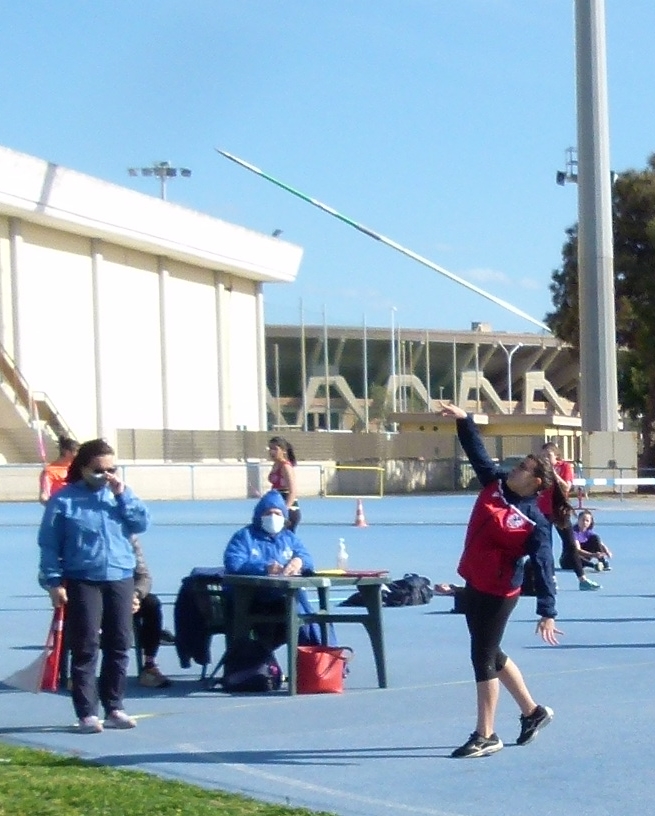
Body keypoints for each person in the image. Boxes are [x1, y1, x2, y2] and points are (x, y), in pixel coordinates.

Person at [440, 403, 563, 759]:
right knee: (491, 652)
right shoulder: (493, 483)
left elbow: (544, 565)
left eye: (523, 468)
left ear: (535, 483)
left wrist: (547, 611)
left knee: (482, 656)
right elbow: (476, 450)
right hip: (474, 581)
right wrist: (465, 420)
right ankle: (532, 712)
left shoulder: (535, 521)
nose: (515, 469)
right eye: (519, 463)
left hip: (499, 591)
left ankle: (486, 734)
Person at [38, 438, 150, 734]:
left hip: (119, 576)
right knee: (86, 646)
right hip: (83, 578)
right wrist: (52, 581)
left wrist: (124, 496)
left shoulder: (119, 495)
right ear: (84, 468)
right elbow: (49, 544)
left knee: (119, 644)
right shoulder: (64, 500)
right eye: (99, 470)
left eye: (112, 469)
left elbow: (141, 523)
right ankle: (87, 712)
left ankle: (114, 706)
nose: (106, 475)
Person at [223, 490, 313, 648]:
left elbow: (307, 559)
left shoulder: (289, 538)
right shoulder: (244, 536)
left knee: (304, 612)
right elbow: (234, 562)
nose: (273, 517)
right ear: (259, 515)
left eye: (277, 513)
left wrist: (300, 562)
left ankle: (316, 654)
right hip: (251, 599)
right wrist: (264, 568)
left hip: (282, 598)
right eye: (268, 513)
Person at [539, 442, 601, 591]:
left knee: (571, 544)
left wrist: (554, 474)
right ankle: (551, 579)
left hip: (560, 511)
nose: (545, 458)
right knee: (546, 546)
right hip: (543, 511)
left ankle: (582, 579)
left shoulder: (565, 467)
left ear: (556, 456)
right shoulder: (539, 469)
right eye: (543, 455)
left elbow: (566, 487)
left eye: (549, 455)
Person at [131, 536, 173, 688]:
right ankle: (82, 667)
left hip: (127, 593)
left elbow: (144, 577)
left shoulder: (129, 537)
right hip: (94, 591)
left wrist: (135, 594)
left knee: (152, 604)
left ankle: (149, 665)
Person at [267, 436, 300, 531]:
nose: (271, 452)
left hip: (288, 508)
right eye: (270, 449)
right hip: (277, 504)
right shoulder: (275, 465)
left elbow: (293, 491)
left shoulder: (286, 467)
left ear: (283, 451)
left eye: (275, 449)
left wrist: (284, 509)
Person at [39, 436, 79, 504]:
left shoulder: (78, 469)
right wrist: (52, 505)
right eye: (76, 452)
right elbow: (44, 495)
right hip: (61, 505)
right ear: (67, 452)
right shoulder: (50, 471)